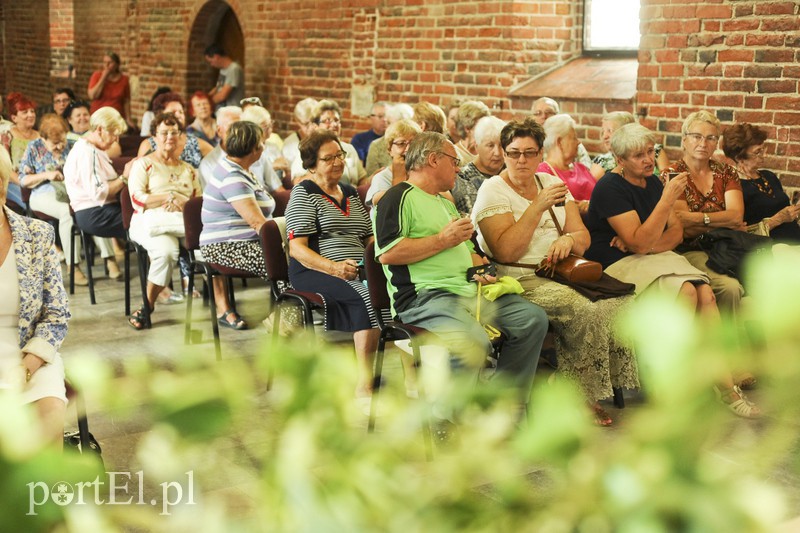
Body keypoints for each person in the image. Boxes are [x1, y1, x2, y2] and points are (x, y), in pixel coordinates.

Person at [584, 123, 759, 418]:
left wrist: (647, 243)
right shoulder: (609, 188)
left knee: (707, 294)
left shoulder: (652, 182)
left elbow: (674, 234)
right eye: (638, 155)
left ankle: (725, 385)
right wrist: (664, 206)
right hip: (615, 263)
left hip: (653, 256)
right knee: (687, 292)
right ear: (620, 160)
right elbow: (638, 242)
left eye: (650, 153)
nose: (648, 160)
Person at [373, 131, 548, 420]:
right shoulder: (397, 198)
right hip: (425, 298)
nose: (458, 168)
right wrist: (442, 240)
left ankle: (501, 407)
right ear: (433, 160)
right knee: (473, 342)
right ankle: (447, 419)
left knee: (532, 319)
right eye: (454, 161)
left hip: (468, 292)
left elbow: (470, 251)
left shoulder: (445, 202)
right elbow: (388, 254)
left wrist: (483, 269)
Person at [473, 119, 637, 426]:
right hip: (522, 279)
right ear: (504, 153)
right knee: (583, 310)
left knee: (619, 303)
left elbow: (583, 239)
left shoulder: (550, 184)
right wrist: (536, 207)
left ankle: (572, 384)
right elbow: (506, 251)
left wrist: (568, 239)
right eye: (513, 152)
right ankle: (579, 397)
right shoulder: (492, 189)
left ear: (539, 155)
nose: (521, 160)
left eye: (529, 153)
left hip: (564, 272)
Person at [286, 129, 379, 405]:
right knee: (367, 297)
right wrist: (335, 268)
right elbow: (297, 249)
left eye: (340, 155)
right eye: (329, 158)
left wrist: (376, 256)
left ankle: (410, 376)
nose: (338, 162)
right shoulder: (303, 194)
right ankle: (364, 383)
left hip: (357, 265)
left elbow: (368, 233)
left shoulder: (349, 192)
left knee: (398, 289)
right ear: (312, 165)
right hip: (315, 270)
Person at [0, 146, 70, 449]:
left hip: (29, 354)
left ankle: (40, 495)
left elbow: (56, 315)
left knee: (49, 417)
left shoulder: (37, 233)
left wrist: (26, 367)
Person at [661, 111, 745, 315]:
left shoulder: (727, 172)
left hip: (727, 245)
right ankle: (725, 345)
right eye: (696, 136)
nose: (703, 143)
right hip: (689, 249)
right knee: (730, 287)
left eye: (710, 138)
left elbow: (736, 217)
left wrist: (698, 218)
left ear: (716, 143)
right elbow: (681, 225)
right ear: (684, 140)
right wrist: (721, 220)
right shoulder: (672, 175)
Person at [126, 112, 202, 330]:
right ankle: (148, 305)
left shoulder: (189, 169)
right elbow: (136, 198)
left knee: (207, 245)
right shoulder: (144, 164)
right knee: (167, 253)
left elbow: (197, 202)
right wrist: (167, 197)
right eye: (164, 133)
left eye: (174, 132)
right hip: (148, 221)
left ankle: (222, 305)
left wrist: (182, 203)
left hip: (178, 220)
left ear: (180, 136)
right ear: (154, 137)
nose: (170, 137)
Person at [200, 121, 277, 329]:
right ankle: (286, 319)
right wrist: (287, 243)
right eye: (262, 143)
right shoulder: (233, 177)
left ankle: (287, 315)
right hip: (225, 247)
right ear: (254, 149)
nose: (264, 146)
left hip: (243, 242)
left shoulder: (239, 168)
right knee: (289, 264)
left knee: (298, 256)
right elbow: (257, 222)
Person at [18, 114, 111, 285]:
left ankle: (109, 256)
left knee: (92, 206)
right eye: (54, 144)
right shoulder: (33, 148)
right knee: (66, 213)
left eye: (62, 141)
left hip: (71, 191)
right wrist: (47, 174)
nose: (60, 146)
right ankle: (73, 266)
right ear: (43, 138)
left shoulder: (73, 145)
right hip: (43, 192)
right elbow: (23, 180)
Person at [63, 107, 127, 279]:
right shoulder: (87, 152)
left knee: (146, 219)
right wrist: (124, 178)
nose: (116, 140)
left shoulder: (95, 149)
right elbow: (100, 193)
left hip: (102, 209)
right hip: (93, 213)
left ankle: (160, 284)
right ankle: (160, 287)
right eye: (114, 134)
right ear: (100, 130)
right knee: (143, 224)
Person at [722, 123, 800, 243]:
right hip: (766, 250)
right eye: (758, 152)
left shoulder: (769, 176)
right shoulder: (733, 187)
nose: (764, 155)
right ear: (739, 157)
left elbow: (785, 211)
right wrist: (776, 220)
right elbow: (737, 234)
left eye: (763, 149)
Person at [291, 100, 367, 186]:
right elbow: (298, 183)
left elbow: (362, 180)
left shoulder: (349, 149)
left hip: (351, 197)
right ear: (315, 126)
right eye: (327, 121)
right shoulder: (307, 149)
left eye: (336, 120)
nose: (334, 124)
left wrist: (377, 177)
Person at [538, 114, 597, 215]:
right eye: (574, 138)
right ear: (559, 142)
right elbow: (554, 208)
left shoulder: (581, 168)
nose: (579, 142)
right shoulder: (543, 172)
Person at [137, 92, 213, 168]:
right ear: (160, 116)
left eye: (181, 112)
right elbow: (139, 171)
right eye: (173, 112)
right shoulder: (148, 145)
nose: (178, 115)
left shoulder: (196, 143)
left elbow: (220, 161)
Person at [452, 116, 506, 215]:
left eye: (502, 145)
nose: (497, 153)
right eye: (490, 145)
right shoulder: (463, 177)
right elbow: (477, 217)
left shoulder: (511, 170)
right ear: (477, 147)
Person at [364, 119, 422, 207]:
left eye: (413, 143)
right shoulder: (382, 178)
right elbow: (392, 207)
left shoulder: (422, 175)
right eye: (401, 143)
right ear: (390, 149)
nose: (408, 149)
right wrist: (398, 178)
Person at [0, 93, 40, 212]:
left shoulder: (40, 137)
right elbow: (5, 168)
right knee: (33, 204)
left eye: (32, 111)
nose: (30, 115)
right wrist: (24, 182)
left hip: (39, 182)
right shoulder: (7, 136)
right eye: (25, 112)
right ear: (14, 118)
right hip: (13, 182)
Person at [531, 97, 592, 168]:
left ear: (557, 115)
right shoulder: (528, 142)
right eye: (538, 113)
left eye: (549, 112)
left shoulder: (572, 143)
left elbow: (586, 168)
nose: (544, 116)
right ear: (533, 117)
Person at [240, 105, 287, 193]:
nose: (270, 129)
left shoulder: (273, 147)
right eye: (265, 127)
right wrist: (274, 166)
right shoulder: (246, 154)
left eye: (271, 124)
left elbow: (279, 185)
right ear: (253, 130)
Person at [199, 106, 243, 189]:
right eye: (232, 127)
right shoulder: (209, 164)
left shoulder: (255, 154)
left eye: (242, 126)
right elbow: (212, 199)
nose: (238, 132)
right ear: (219, 131)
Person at [365, 103, 414, 176]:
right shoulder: (376, 145)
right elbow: (371, 177)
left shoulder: (417, 143)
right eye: (387, 122)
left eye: (389, 123)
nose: (386, 126)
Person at [87, 52, 131, 126]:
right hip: (99, 116)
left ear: (117, 65)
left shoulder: (124, 79)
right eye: (105, 62)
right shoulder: (97, 76)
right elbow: (92, 95)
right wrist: (103, 78)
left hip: (116, 117)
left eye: (110, 62)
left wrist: (128, 119)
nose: (107, 65)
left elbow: (126, 101)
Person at [205, 44, 245, 109]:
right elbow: (218, 87)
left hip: (231, 110)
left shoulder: (233, 69)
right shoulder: (222, 69)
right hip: (221, 109)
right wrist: (206, 97)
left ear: (216, 57)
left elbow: (223, 95)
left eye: (211, 61)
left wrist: (207, 104)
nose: (211, 65)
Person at [452, 100, 491, 166]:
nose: (487, 128)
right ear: (467, 128)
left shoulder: (488, 150)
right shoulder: (454, 154)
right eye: (482, 124)